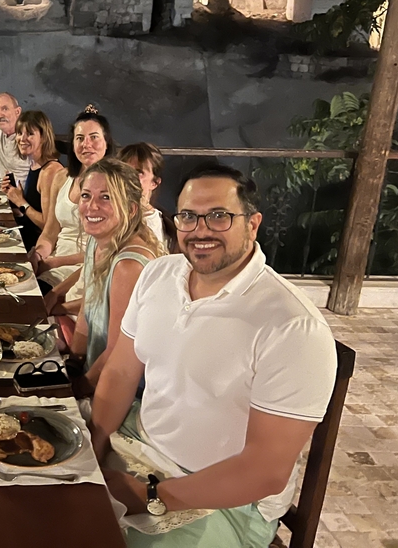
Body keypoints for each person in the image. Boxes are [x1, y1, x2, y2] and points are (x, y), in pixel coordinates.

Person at [91, 163, 337, 548]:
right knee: (35, 502)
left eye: (219, 216)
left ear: (252, 224)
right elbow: (121, 372)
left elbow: (265, 471)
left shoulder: (292, 326)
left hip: (227, 502)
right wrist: (93, 447)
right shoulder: (158, 275)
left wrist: (152, 496)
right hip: (137, 444)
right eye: (188, 216)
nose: (200, 230)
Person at [68, 159, 163, 398]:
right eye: (86, 195)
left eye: (106, 197)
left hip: (124, 393)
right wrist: (72, 363)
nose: (91, 206)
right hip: (96, 373)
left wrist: (75, 391)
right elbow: (86, 312)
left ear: (131, 209)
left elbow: (117, 352)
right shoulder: (97, 242)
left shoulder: (128, 266)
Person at [31, 106, 114, 292]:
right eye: (80, 138)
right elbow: (50, 232)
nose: (86, 144)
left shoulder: (115, 183)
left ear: (106, 142)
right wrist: (38, 255)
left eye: (94, 137)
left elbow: (108, 249)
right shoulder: (62, 177)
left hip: (89, 269)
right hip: (53, 263)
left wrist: (55, 262)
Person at [1, 109, 65, 251]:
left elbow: (47, 226)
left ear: (43, 137)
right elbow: (33, 209)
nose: (22, 139)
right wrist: (15, 198)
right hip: (27, 234)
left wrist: (21, 202)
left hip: (39, 246)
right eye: (19, 133)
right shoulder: (35, 164)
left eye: (30, 134)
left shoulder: (50, 172)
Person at [117, 142, 174, 251]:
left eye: (138, 172)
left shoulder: (152, 224)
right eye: (124, 170)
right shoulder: (112, 214)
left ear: (154, 183)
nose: (128, 176)